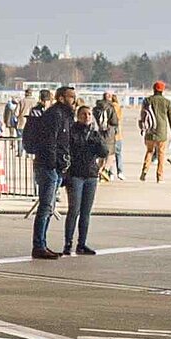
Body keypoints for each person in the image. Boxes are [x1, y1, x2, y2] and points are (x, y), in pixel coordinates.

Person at [26, 86, 75, 260]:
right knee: (45, 207)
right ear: (61, 98)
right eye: (70, 97)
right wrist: (55, 163)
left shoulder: (63, 115)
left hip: (53, 166)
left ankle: (42, 243)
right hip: (47, 166)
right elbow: (50, 141)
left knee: (49, 207)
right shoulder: (55, 115)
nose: (73, 100)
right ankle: (39, 245)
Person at [64, 104, 106, 256]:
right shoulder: (73, 132)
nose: (87, 117)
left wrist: (97, 140)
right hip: (76, 174)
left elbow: (104, 152)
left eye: (89, 114)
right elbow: (72, 148)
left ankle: (81, 243)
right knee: (74, 210)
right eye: (83, 114)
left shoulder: (94, 133)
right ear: (78, 116)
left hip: (91, 174)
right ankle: (68, 243)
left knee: (86, 212)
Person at [139, 82, 171, 182]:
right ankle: (159, 176)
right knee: (161, 154)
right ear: (162, 90)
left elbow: (142, 115)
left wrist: (142, 127)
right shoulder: (167, 102)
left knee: (149, 151)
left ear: (154, 89)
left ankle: (144, 170)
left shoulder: (147, 100)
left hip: (150, 130)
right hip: (162, 131)